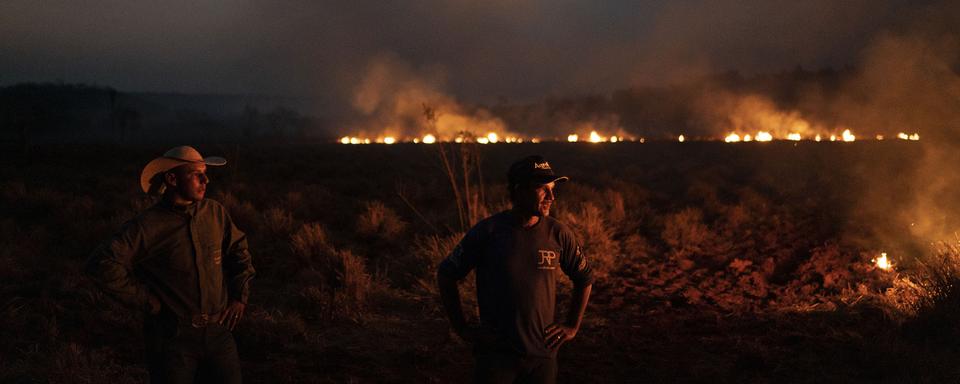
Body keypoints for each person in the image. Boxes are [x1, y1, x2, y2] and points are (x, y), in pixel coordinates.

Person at [86, 146, 255, 384]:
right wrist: (148, 302)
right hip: (173, 340)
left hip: (219, 333)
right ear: (172, 179)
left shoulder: (214, 212)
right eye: (196, 174)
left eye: (205, 173)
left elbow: (239, 249)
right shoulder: (148, 226)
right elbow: (101, 263)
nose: (205, 180)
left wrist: (240, 296)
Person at [437, 155, 594, 384]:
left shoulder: (558, 233)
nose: (551, 196)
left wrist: (572, 326)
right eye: (542, 189)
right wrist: (462, 328)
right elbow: (446, 275)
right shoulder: (488, 231)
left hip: (543, 357)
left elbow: (585, 277)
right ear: (519, 190)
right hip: (496, 358)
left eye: (552, 189)